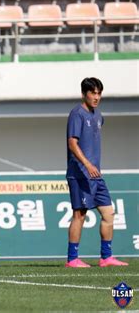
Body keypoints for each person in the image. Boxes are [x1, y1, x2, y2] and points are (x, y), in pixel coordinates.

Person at [65, 77, 128, 268]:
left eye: (99, 93)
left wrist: (94, 167)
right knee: (80, 214)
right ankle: (72, 259)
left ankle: (106, 257)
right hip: (80, 174)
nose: (96, 97)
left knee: (109, 213)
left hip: (96, 175)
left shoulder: (98, 115)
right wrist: (87, 164)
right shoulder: (77, 114)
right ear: (84, 94)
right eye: (93, 93)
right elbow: (72, 143)